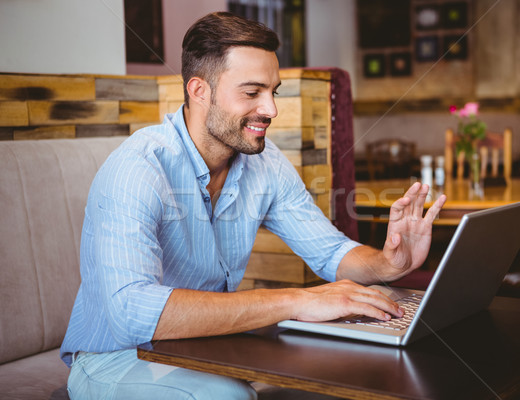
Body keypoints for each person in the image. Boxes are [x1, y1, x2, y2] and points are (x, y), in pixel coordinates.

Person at [60, 11, 446, 400]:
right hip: (113, 359)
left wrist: (388, 263)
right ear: (199, 90)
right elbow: (132, 314)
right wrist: (296, 300)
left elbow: (329, 250)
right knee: (228, 396)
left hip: (207, 348)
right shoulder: (137, 168)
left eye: (273, 91)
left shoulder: (265, 161)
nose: (271, 109)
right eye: (252, 92)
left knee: (355, 375)